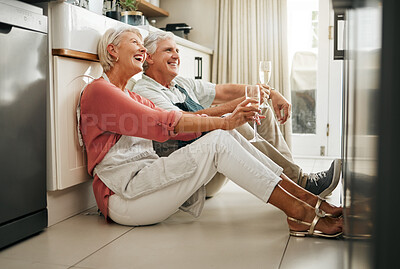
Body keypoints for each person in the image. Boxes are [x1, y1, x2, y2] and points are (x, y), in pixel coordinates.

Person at [78, 26, 342, 238]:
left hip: (144, 181)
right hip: (121, 196)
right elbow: (163, 124)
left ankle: (307, 201)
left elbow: (178, 120)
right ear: (112, 51)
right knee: (219, 138)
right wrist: (226, 120)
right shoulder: (100, 91)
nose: (142, 49)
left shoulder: (130, 94)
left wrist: (230, 119)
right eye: (135, 42)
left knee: (221, 135)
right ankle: (301, 212)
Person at [131, 31, 341, 199]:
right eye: (169, 50)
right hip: (191, 175)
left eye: (177, 50)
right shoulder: (146, 90)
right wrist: (236, 110)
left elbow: (225, 91)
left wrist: (270, 93)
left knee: (262, 111)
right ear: (148, 57)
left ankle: (297, 182)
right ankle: (300, 183)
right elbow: (180, 122)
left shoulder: (182, 84)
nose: (177, 55)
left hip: (214, 160)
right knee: (230, 123)